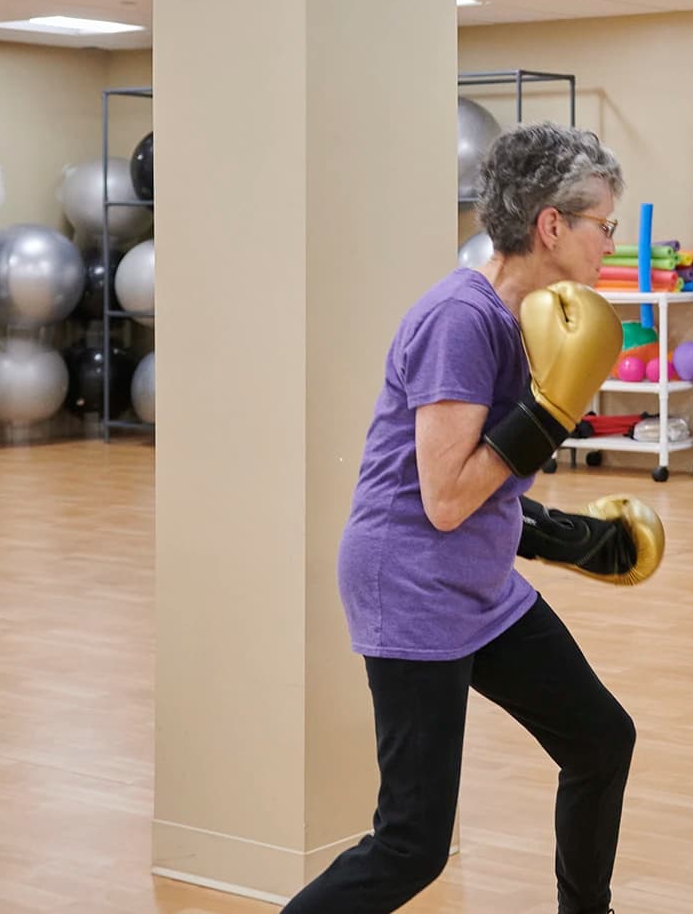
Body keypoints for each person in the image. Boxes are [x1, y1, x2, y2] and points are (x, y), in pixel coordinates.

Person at [283, 122, 661, 914]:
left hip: (478, 586)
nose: (611, 245)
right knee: (413, 843)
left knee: (599, 739)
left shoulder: (529, 324)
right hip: (411, 583)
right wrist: (548, 412)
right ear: (551, 225)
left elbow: (488, 493)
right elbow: (446, 496)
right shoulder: (462, 319)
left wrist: (578, 539)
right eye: (605, 226)